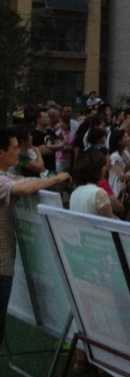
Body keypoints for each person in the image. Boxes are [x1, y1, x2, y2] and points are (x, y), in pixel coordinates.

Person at [0, 128, 72, 345]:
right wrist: (57, 178)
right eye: (14, 149)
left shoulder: (7, 176)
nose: (18, 153)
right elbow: (22, 188)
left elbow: (21, 181)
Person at [70, 148, 116, 219]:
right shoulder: (99, 193)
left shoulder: (75, 192)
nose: (104, 169)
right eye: (102, 166)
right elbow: (109, 221)